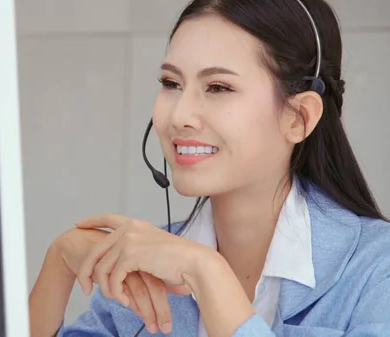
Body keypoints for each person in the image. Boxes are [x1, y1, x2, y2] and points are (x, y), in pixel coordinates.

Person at [29, 0, 390, 336]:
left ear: (299, 117)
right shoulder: (139, 268)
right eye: (171, 83)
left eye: (218, 87)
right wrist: (58, 266)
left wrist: (209, 275)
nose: (179, 116)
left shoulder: (377, 270)